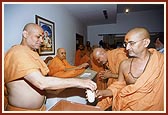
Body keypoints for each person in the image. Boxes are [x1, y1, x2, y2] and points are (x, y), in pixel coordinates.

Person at [4, 23, 97, 111]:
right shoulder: (17, 52)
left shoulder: (33, 53)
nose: (41, 40)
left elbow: (33, 83)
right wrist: (79, 82)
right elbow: (41, 82)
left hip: (40, 108)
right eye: (38, 36)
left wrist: (57, 89)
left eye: (43, 37)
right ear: (25, 34)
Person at [96, 27, 164, 111]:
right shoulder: (124, 64)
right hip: (129, 107)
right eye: (126, 44)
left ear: (145, 43)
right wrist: (102, 92)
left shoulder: (162, 61)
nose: (127, 48)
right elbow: (118, 86)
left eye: (131, 43)